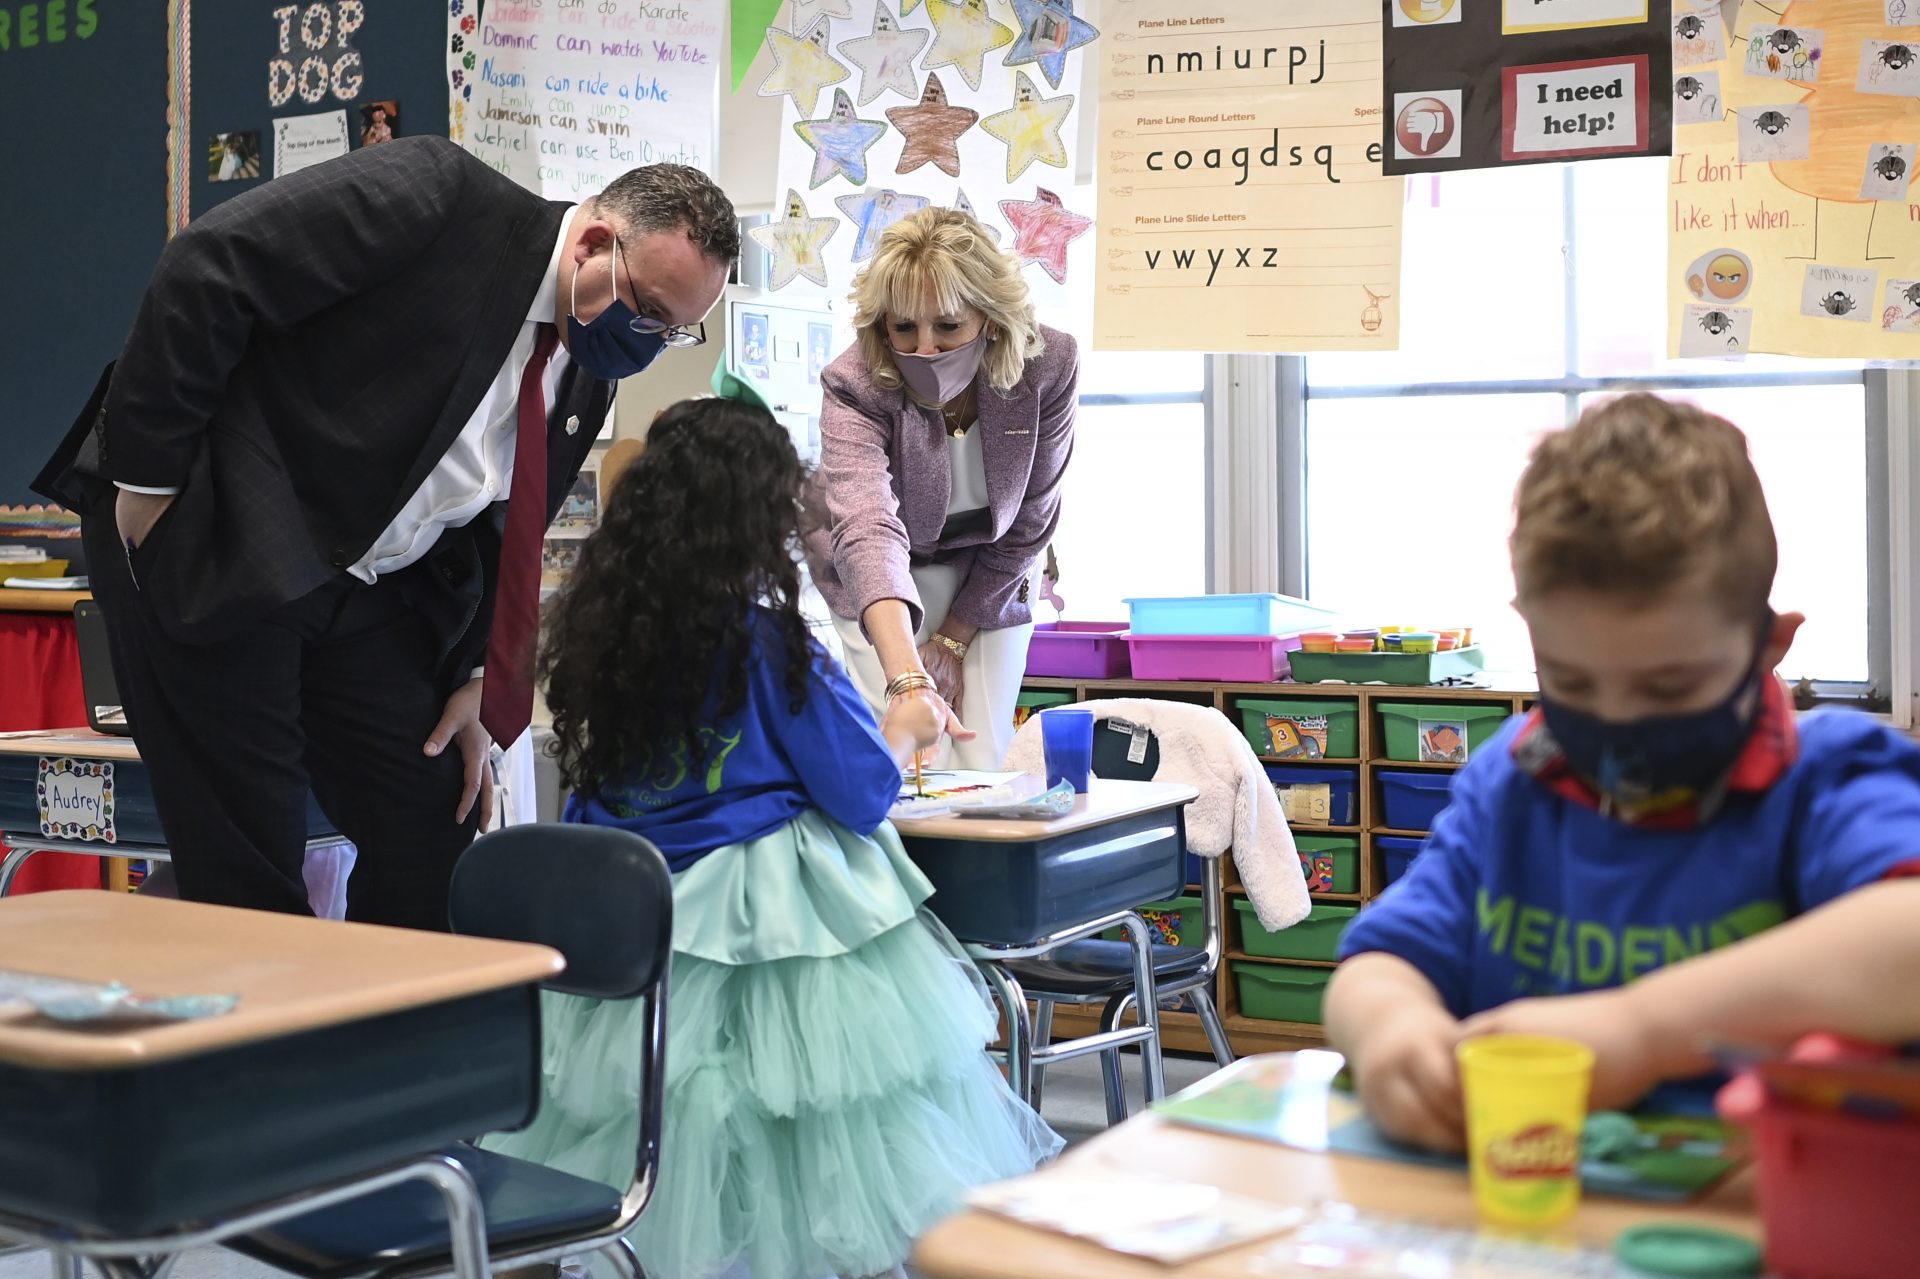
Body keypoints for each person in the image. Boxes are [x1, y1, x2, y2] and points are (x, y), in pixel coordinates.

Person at [34, 135, 737, 929]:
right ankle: (267, 1047)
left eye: (674, 331)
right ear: (594, 241)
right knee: (250, 858)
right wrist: (148, 479)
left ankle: (388, 1041)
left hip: (358, 581)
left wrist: (475, 677)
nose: (647, 341)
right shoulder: (443, 197)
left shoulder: (583, 367)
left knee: (435, 817)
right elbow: (210, 266)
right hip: (221, 523)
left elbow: (513, 520)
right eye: (648, 310)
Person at [480, 397, 1061, 1279]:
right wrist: (908, 719)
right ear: (756, 518)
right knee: (815, 1123)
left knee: (673, 1115)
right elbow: (864, 790)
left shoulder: (609, 642)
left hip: (639, 922)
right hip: (768, 917)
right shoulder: (769, 640)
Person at [1325, 393, 1920, 1152]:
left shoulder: (1827, 778)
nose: (1618, 723)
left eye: (1670, 687)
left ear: (1768, 647)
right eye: (1571, 683)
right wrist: (1392, 1031)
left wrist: (1641, 1030)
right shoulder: (1512, 786)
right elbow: (1379, 960)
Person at [805, 206, 1077, 771]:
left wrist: (953, 640)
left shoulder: (1048, 365)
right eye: (904, 327)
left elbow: (1031, 517)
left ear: (990, 317)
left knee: (980, 754)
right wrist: (909, 680)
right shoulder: (853, 382)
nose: (924, 348)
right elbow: (866, 527)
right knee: (910, 757)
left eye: (948, 326)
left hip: (992, 568)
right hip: (882, 575)